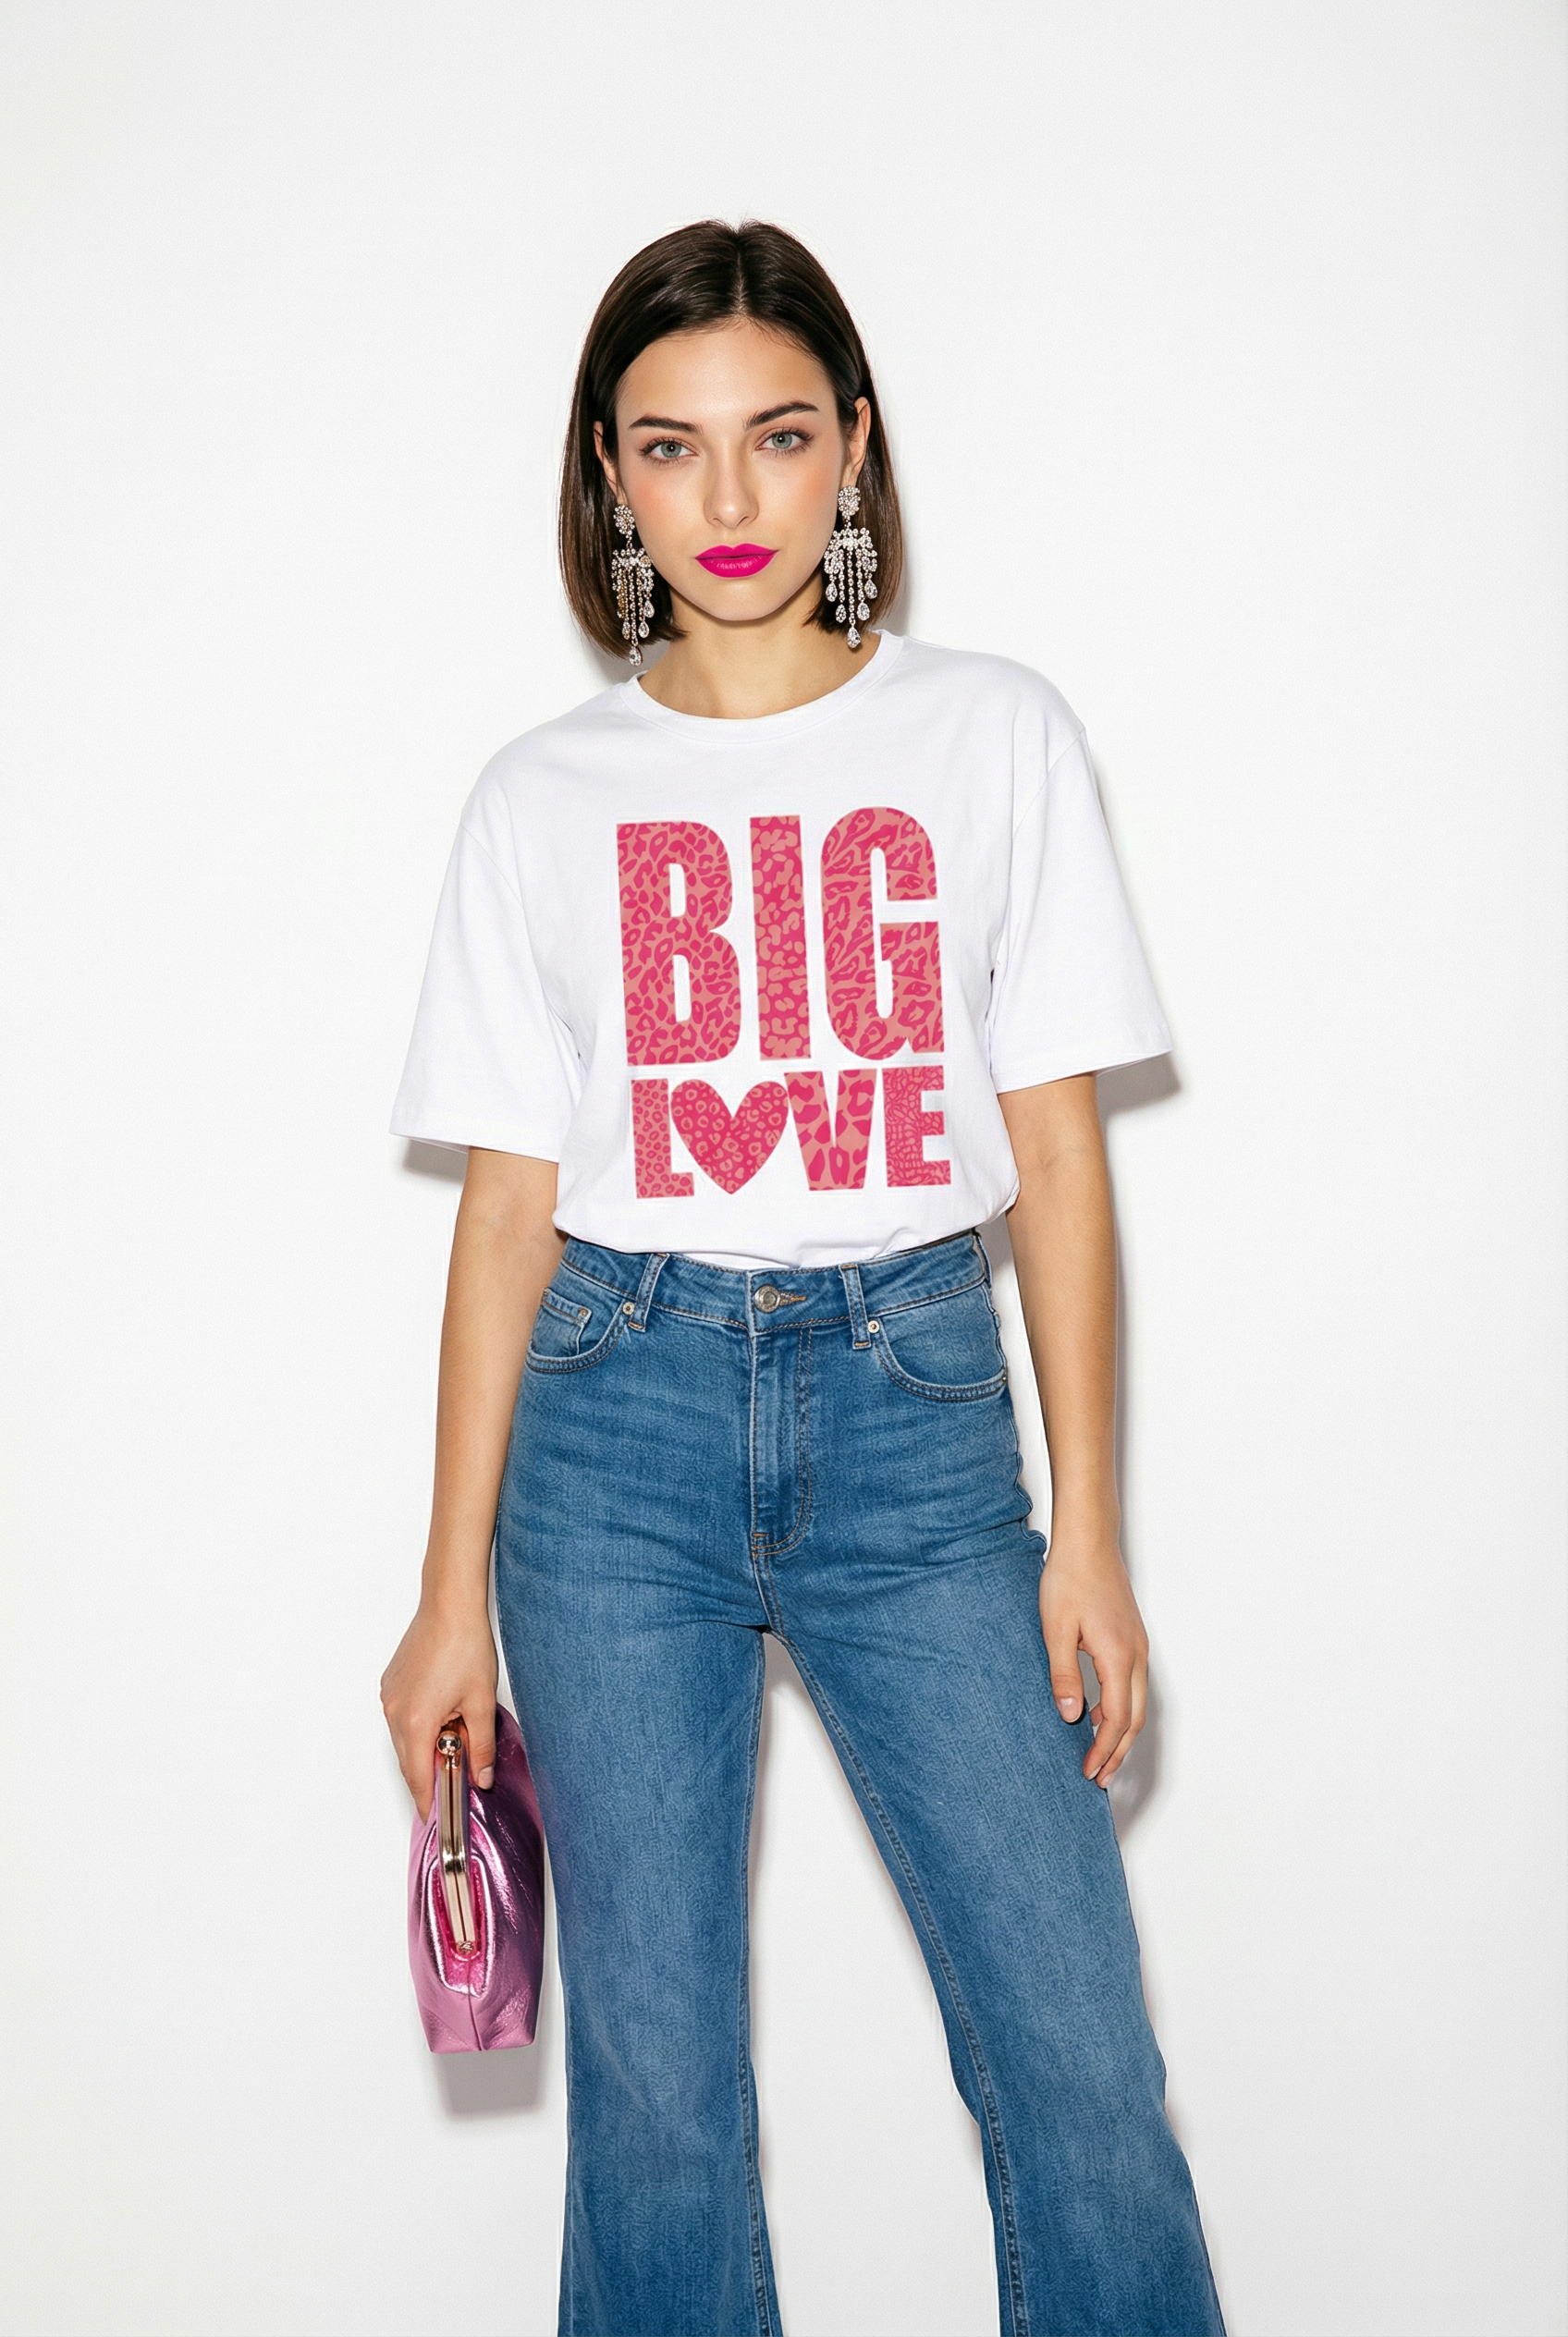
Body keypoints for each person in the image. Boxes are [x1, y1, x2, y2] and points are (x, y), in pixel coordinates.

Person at [380, 218, 1226, 2337]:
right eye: (668, 448)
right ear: (607, 474)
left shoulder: (991, 737)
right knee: (656, 2101)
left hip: (914, 1415)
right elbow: (505, 1211)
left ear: (853, 445)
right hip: (611, 1425)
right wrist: (444, 1589)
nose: (727, 498)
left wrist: (1089, 1531)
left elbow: (1053, 1162)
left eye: (775, 436)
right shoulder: (539, 799)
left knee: (1075, 2061)